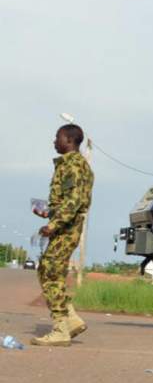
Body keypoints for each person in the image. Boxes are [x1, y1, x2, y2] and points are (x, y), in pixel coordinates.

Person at [31, 124, 94, 347]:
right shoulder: (71, 165)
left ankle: (60, 328)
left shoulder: (74, 165)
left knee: (49, 271)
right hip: (64, 226)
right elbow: (68, 200)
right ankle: (70, 319)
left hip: (66, 229)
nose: (54, 141)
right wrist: (47, 214)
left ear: (68, 140)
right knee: (50, 272)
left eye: (57, 137)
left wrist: (54, 223)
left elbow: (74, 200)